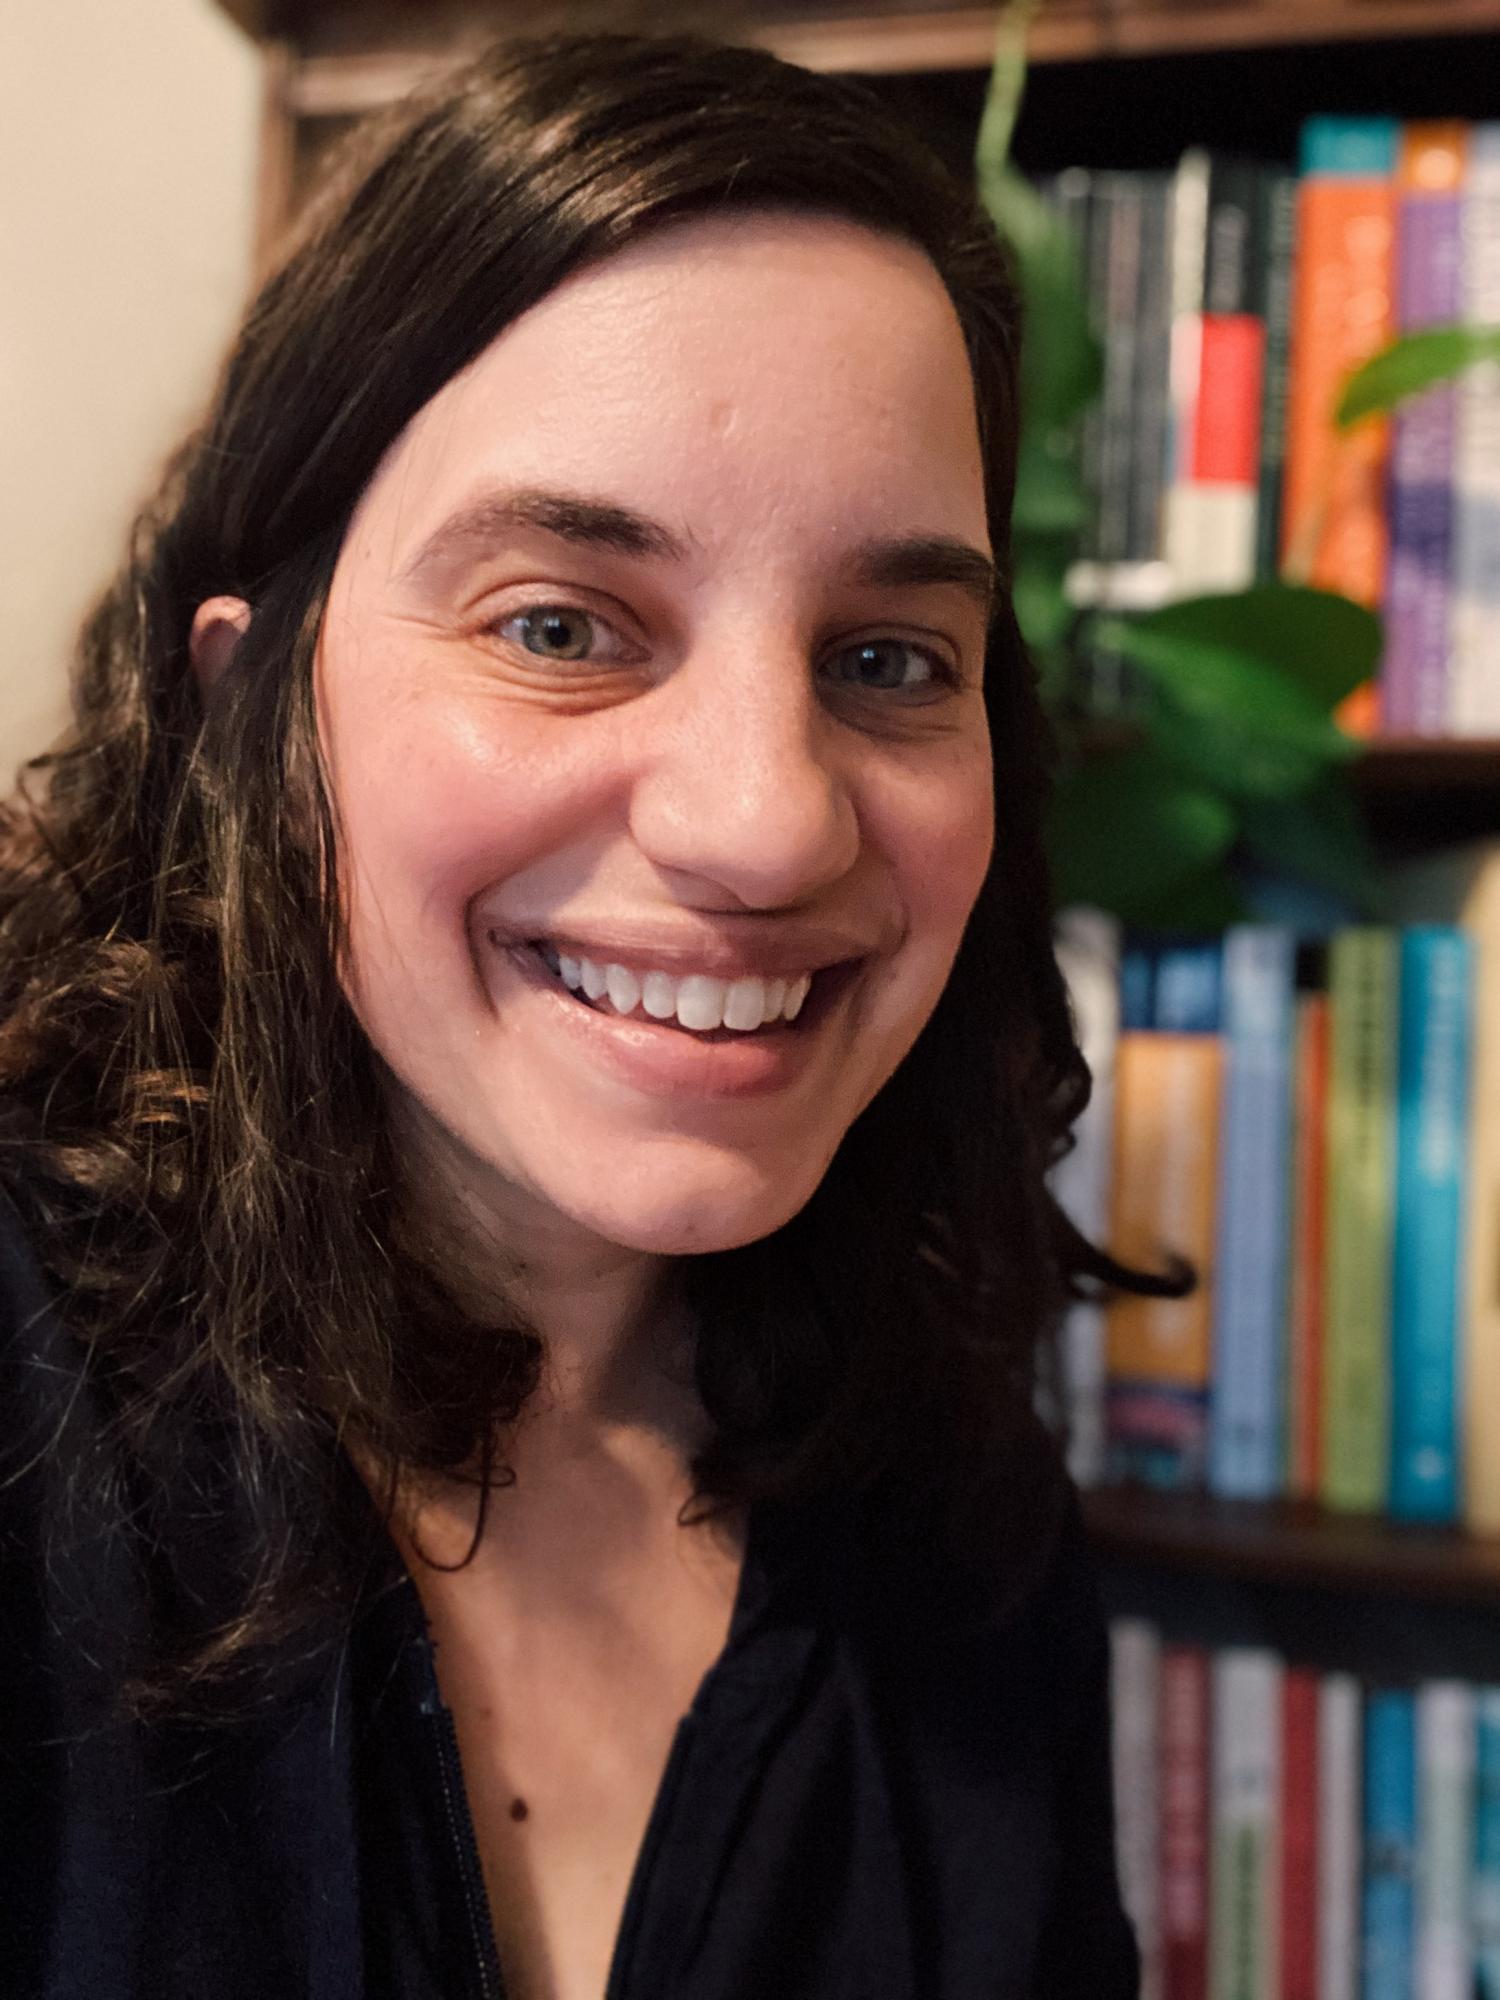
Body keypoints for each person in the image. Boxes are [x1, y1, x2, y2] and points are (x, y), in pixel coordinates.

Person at [0, 30, 1156, 2000]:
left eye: (890, 656)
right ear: (245, 706)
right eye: (557, 624)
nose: (770, 820)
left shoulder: (961, 1527)